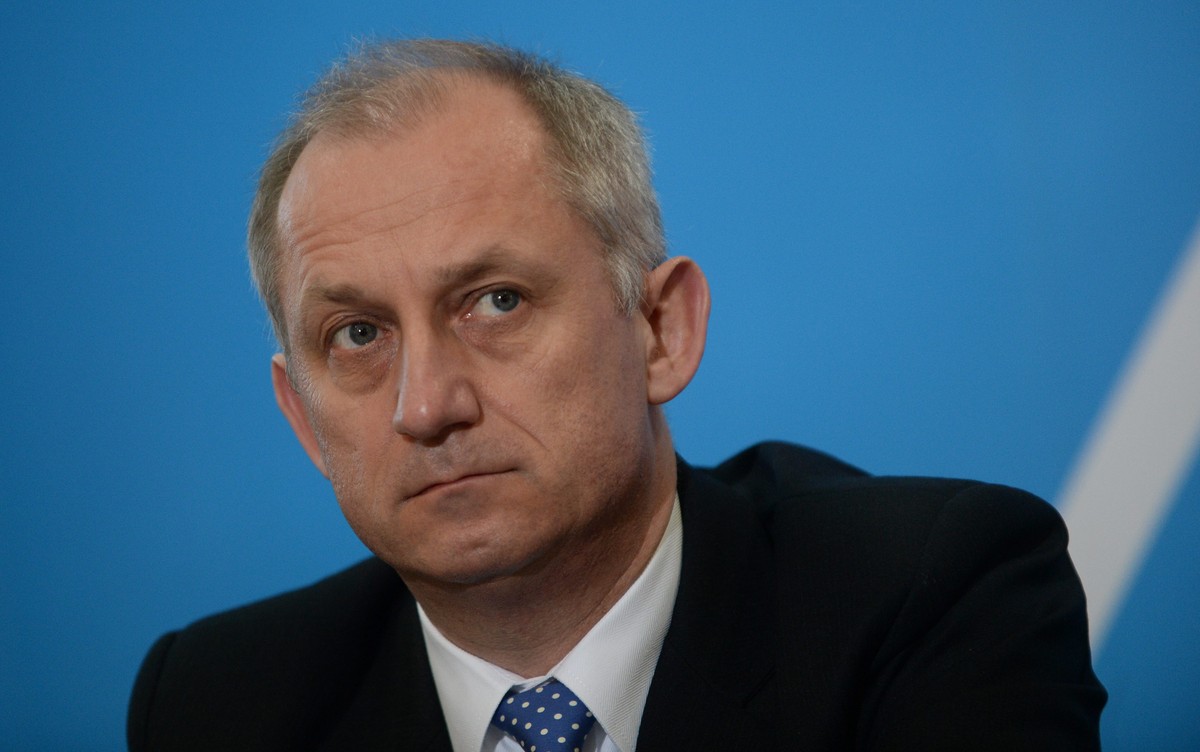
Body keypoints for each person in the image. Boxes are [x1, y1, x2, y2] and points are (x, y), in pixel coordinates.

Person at [128, 39, 1106, 751]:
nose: (424, 407)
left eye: (496, 301)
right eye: (357, 334)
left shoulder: (928, 601)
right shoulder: (219, 706)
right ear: (301, 416)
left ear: (660, 330)